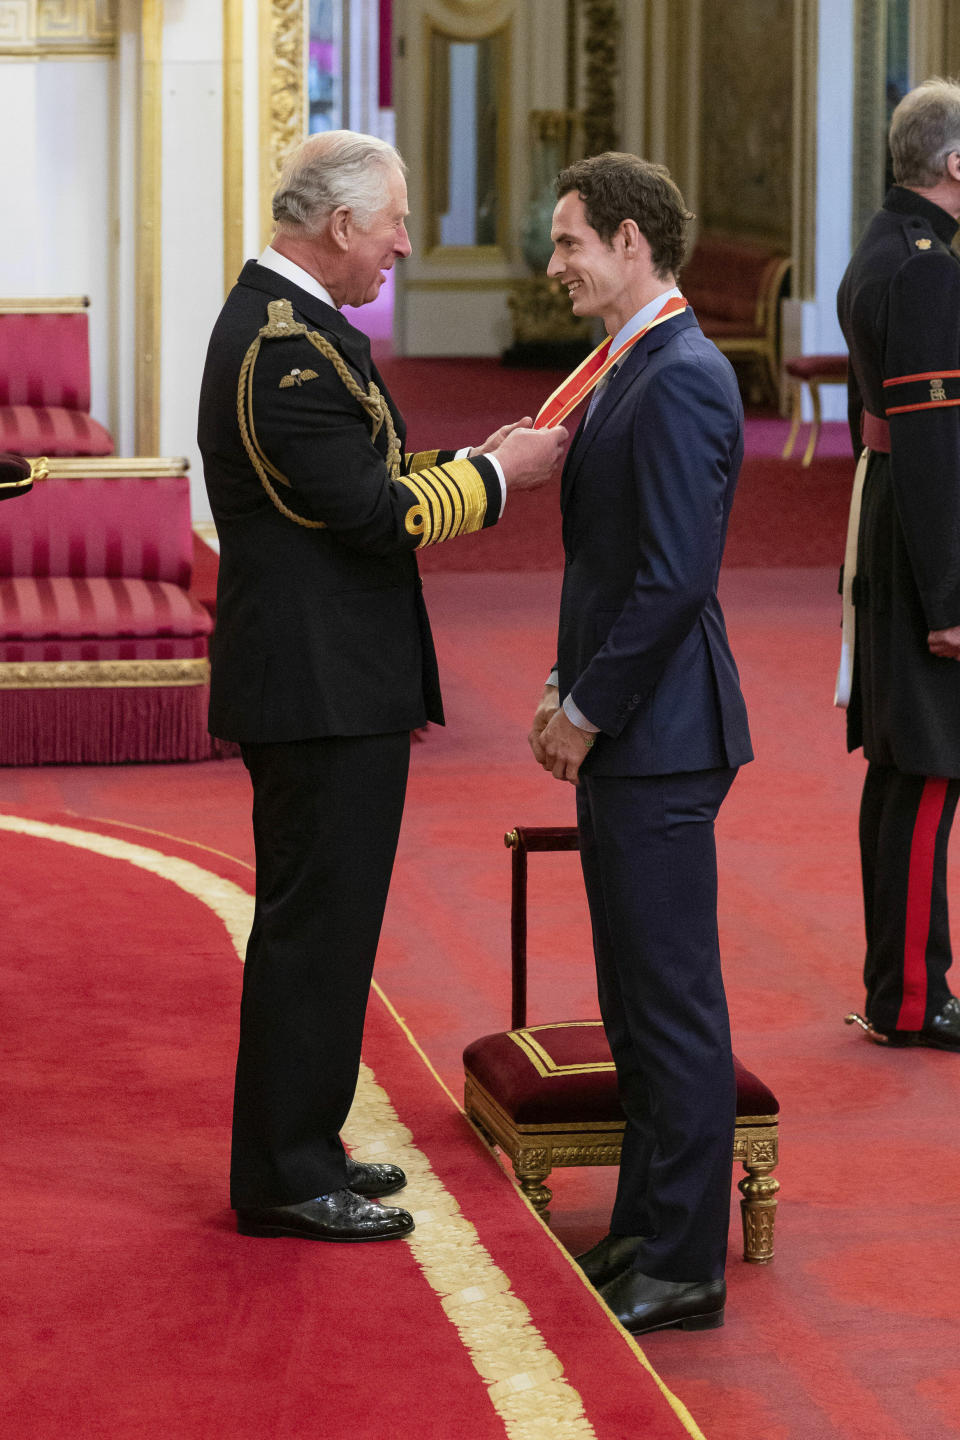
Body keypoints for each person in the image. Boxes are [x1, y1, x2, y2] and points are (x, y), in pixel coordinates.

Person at [198, 130, 566, 1243]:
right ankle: (280, 1174)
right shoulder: (284, 347)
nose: (404, 243)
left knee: (332, 927)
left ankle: (306, 1144)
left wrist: (469, 462)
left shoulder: (306, 327)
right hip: (314, 688)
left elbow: (367, 476)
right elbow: (370, 514)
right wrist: (502, 479)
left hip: (333, 679)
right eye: (394, 223)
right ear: (342, 225)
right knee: (316, 931)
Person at [528, 153, 752, 1335]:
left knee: (672, 1006)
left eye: (567, 243)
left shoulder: (678, 377)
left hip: (662, 736)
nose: (553, 265)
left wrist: (585, 711)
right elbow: (612, 568)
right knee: (633, 1003)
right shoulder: (633, 365)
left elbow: (672, 584)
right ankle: (646, 1233)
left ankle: (688, 1262)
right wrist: (568, 680)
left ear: (626, 241)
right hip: (635, 727)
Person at [837, 79, 960, 1053]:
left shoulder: (891, 244)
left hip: (890, 522)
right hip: (928, 544)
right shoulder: (927, 269)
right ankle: (912, 998)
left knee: (905, 768)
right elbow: (932, 443)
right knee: (925, 768)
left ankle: (903, 985)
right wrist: (951, 596)